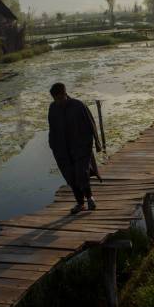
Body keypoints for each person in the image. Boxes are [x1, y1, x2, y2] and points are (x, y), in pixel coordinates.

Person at [48, 83, 102, 214]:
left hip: (81, 147)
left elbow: (91, 123)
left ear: (64, 94)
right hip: (62, 149)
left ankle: (90, 199)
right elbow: (52, 129)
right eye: (55, 99)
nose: (58, 101)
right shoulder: (53, 108)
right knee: (70, 176)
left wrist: (97, 144)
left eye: (60, 98)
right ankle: (80, 203)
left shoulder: (78, 105)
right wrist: (53, 146)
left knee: (81, 173)